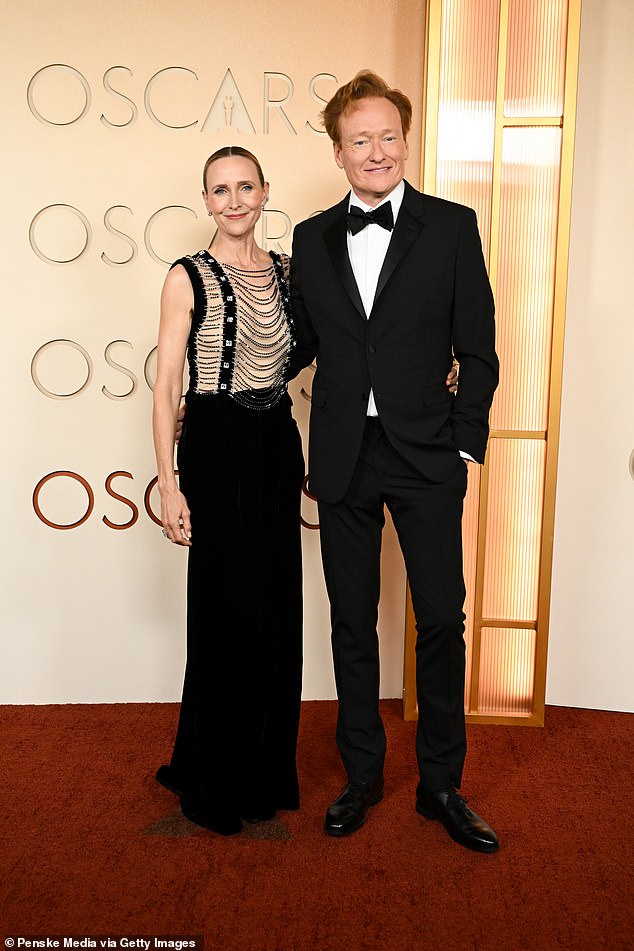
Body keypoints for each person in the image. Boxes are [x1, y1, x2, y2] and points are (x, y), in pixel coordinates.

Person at [289, 71, 500, 852]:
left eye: (387, 136)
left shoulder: (451, 226)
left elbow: (478, 351)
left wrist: (463, 438)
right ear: (337, 150)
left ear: (404, 141)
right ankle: (362, 775)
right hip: (345, 452)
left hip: (426, 452)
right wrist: (219, 385)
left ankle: (442, 783)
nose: (375, 150)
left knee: (442, 617)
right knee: (352, 622)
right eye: (358, 140)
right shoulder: (311, 238)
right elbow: (302, 343)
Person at [152, 146, 305, 835]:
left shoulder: (289, 274)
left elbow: (346, 342)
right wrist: (169, 481)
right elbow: (165, 389)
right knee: (222, 609)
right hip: (214, 443)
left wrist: (439, 368)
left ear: (265, 192)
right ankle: (211, 774)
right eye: (221, 189)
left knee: (273, 607)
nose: (235, 199)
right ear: (206, 200)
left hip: (276, 440)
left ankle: (263, 771)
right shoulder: (187, 276)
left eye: (246, 186)